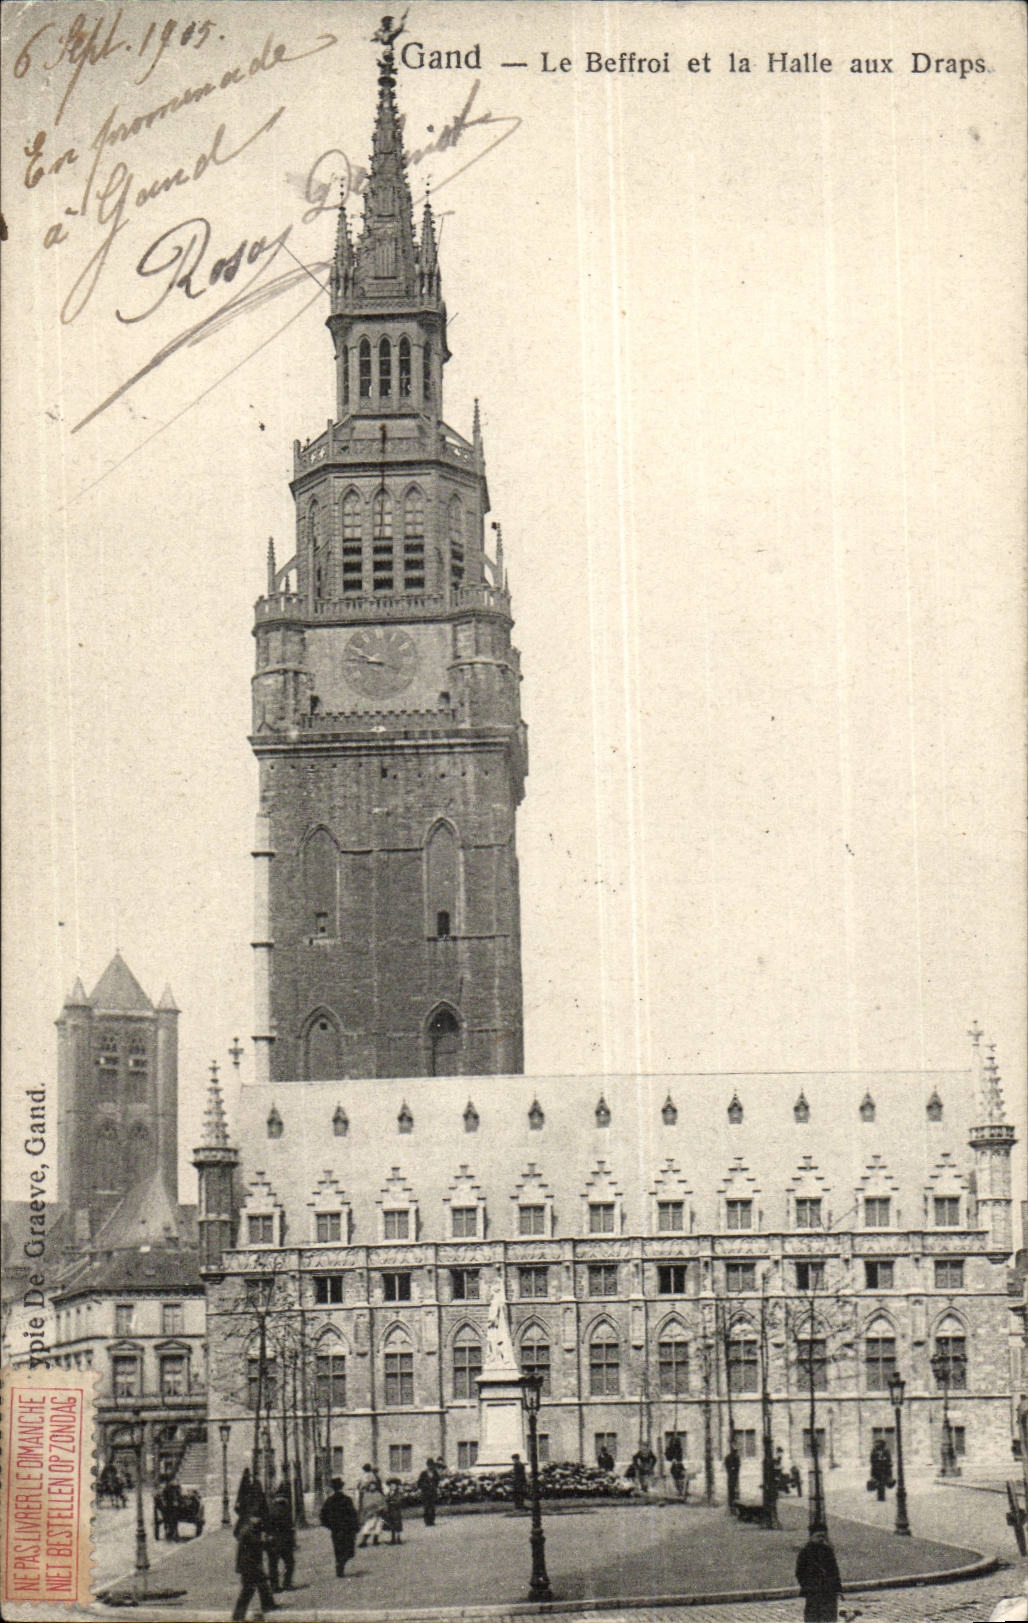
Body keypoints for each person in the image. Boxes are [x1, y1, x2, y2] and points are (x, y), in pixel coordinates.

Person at [232, 1514, 279, 1621]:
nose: (259, 1519)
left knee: (261, 1584)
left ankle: (268, 1605)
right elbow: (255, 1544)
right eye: (257, 1517)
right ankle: (238, 1616)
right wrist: (267, 1541)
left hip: (251, 1564)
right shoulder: (248, 1532)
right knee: (248, 1590)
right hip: (249, 1566)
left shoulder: (251, 1529)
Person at [795, 1529, 843, 1622]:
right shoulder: (805, 1552)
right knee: (813, 1616)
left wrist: (838, 1588)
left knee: (829, 1617)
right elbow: (799, 1572)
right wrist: (807, 1585)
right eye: (818, 1536)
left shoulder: (828, 1551)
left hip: (829, 1591)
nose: (821, 1539)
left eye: (823, 1536)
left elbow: (835, 1571)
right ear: (811, 1537)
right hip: (813, 1591)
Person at [319, 1477, 359, 1577]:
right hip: (347, 1529)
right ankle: (341, 1564)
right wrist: (355, 1527)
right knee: (349, 1550)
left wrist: (329, 1525)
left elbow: (322, 1515)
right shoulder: (347, 1499)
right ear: (342, 1487)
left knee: (338, 1548)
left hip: (335, 1529)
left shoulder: (329, 1500)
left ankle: (339, 1564)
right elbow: (353, 1514)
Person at [266, 1485, 295, 1591]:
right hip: (284, 1541)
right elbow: (290, 1527)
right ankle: (287, 1583)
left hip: (272, 1541)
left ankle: (274, 1586)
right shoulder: (286, 1509)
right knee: (289, 1563)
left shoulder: (269, 1508)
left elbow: (266, 1525)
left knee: (273, 1564)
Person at [357, 1463, 385, 1546]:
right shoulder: (367, 1494)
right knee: (368, 1525)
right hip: (370, 1512)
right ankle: (364, 1541)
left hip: (378, 1512)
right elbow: (365, 1503)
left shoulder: (378, 1493)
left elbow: (382, 1502)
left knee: (378, 1525)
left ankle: (375, 1539)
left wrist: (380, 1508)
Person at [868, 1437, 894, 1502]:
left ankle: (882, 1496)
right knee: (877, 1482)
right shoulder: (874, 1450)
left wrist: (886, 1462)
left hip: (884, 1469)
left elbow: (889, 1459)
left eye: (879, 1443)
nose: (877, 1444)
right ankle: (880, 1496)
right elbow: (871, 1459)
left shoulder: (886, 1450)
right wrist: (876, 1462)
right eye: (877, 1443)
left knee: (883, 1482)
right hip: (876, 1469)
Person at [417, 1458, 439, 1526]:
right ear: (427, 1465)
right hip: (425, 1493)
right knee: (426, 1507)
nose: (430, 1467)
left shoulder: (435, 1473)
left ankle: (432, 1521)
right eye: (429, 1465)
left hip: (432, 1492)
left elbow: (437, 1481)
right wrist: (425, 1486)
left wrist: (434, 1486)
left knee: (432, 1507)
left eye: (432, 1465)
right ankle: (427, 1521)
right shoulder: (423, 1473)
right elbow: (419, 1483)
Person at [383, 1478, 404, 1544]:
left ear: (396, 1486)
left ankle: (398, 1538)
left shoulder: (398, 1493)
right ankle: (393, 1538)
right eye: (391, 1486)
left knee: (397, 1523)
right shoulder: (389, 1493)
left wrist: (391, 1502)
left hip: (396, 1510)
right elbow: (386, 1500)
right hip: (390, 1510)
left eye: (394, 1486)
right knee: (391, 1524)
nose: (392, 1487)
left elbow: (399, 1501)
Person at [724, 1437, 741, 1511]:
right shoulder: (728, 1457)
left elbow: (738, 1466)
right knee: (731, 1490)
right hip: (731, 1476)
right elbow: (728, 1467)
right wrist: (732, 1469)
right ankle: (732, 1506)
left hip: (735, 1475)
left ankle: (735, 1506)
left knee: (736, 1490)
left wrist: (735, 1469)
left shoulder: (737, 1457)